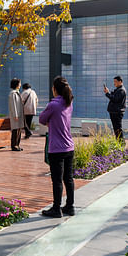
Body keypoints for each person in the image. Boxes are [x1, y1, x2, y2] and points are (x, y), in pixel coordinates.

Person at [38, 76, 75, 218]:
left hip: (57, 148)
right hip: (69, 147)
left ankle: (56, 208)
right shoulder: (69, 103)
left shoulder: (53, 105)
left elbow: (42, 119)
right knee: (68, 178)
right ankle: (70, 207)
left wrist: (50, 123)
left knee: (57, 180)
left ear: (55, 89)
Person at [103, 76, 127, 140]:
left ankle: (121, 143)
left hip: (117, 112)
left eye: (115, 81)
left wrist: (107, 94)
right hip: (115, 112)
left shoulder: (121, 90)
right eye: (114, 81)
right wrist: (107, 92)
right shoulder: (118, 89)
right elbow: (113, 96)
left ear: (120, 81)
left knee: (118, 129)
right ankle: (119, 142)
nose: (114, 83)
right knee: (116, 129)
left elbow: (115, 99)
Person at [8, 78, 25, 151]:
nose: (20, 85)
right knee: (15, 130)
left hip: (19, 114)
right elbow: (13, 105)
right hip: (16, 115)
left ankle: (17, 145)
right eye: (19, 83)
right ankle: (14, 146)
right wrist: (15, 115)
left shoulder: (17, 93)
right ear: (16, 84)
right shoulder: (12, 94)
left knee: (19, 130)